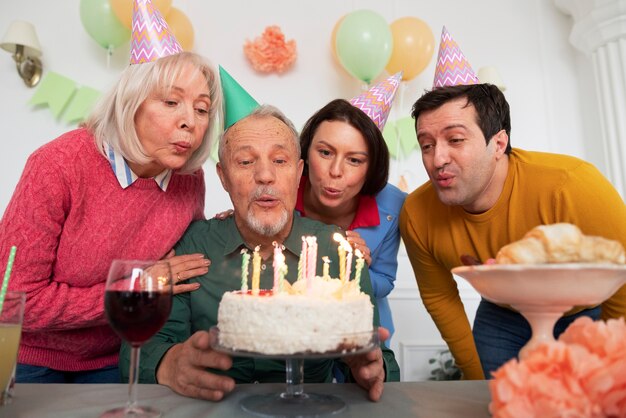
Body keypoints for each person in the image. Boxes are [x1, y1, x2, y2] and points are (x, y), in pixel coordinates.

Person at [0, 1, 222, 383]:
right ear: (131, 102)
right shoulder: (58, 165)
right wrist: (135, 290)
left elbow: (176, 270)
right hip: (30, 359)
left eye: (201, 109)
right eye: (170, 102)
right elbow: (13, 301)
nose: (189, 121)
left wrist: (221, 234)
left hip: (121, 356)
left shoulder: (190, 179)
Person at [122, 105, 400, 401]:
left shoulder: (338, 251)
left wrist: (369, 369)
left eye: (280, 160)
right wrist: (169, 363)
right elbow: (139, 346)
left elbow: (379, 361)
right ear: (223, 177)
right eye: (245, 161)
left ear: (298, 172)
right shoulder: (191, 245)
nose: (265, 175)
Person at [399, 34, 626, 379]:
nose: (436, 159)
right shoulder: (417, 214)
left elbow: (623, 277)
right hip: (503, 313)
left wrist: (609, 362)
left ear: (498, 143)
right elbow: (440, 298)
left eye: (455, 139)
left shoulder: (572, 184)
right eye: (426, 144)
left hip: (581, 310)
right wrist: (478, 383)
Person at [297, 98, 406, 344]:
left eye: (354, 160)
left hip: (364, 336)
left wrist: (358, 270)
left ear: (371, 167)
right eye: (325, 152)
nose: (335, 170)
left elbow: (385, 282)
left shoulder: (393, 207)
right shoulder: (280, 195)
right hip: (295, 336)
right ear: (305, 151)